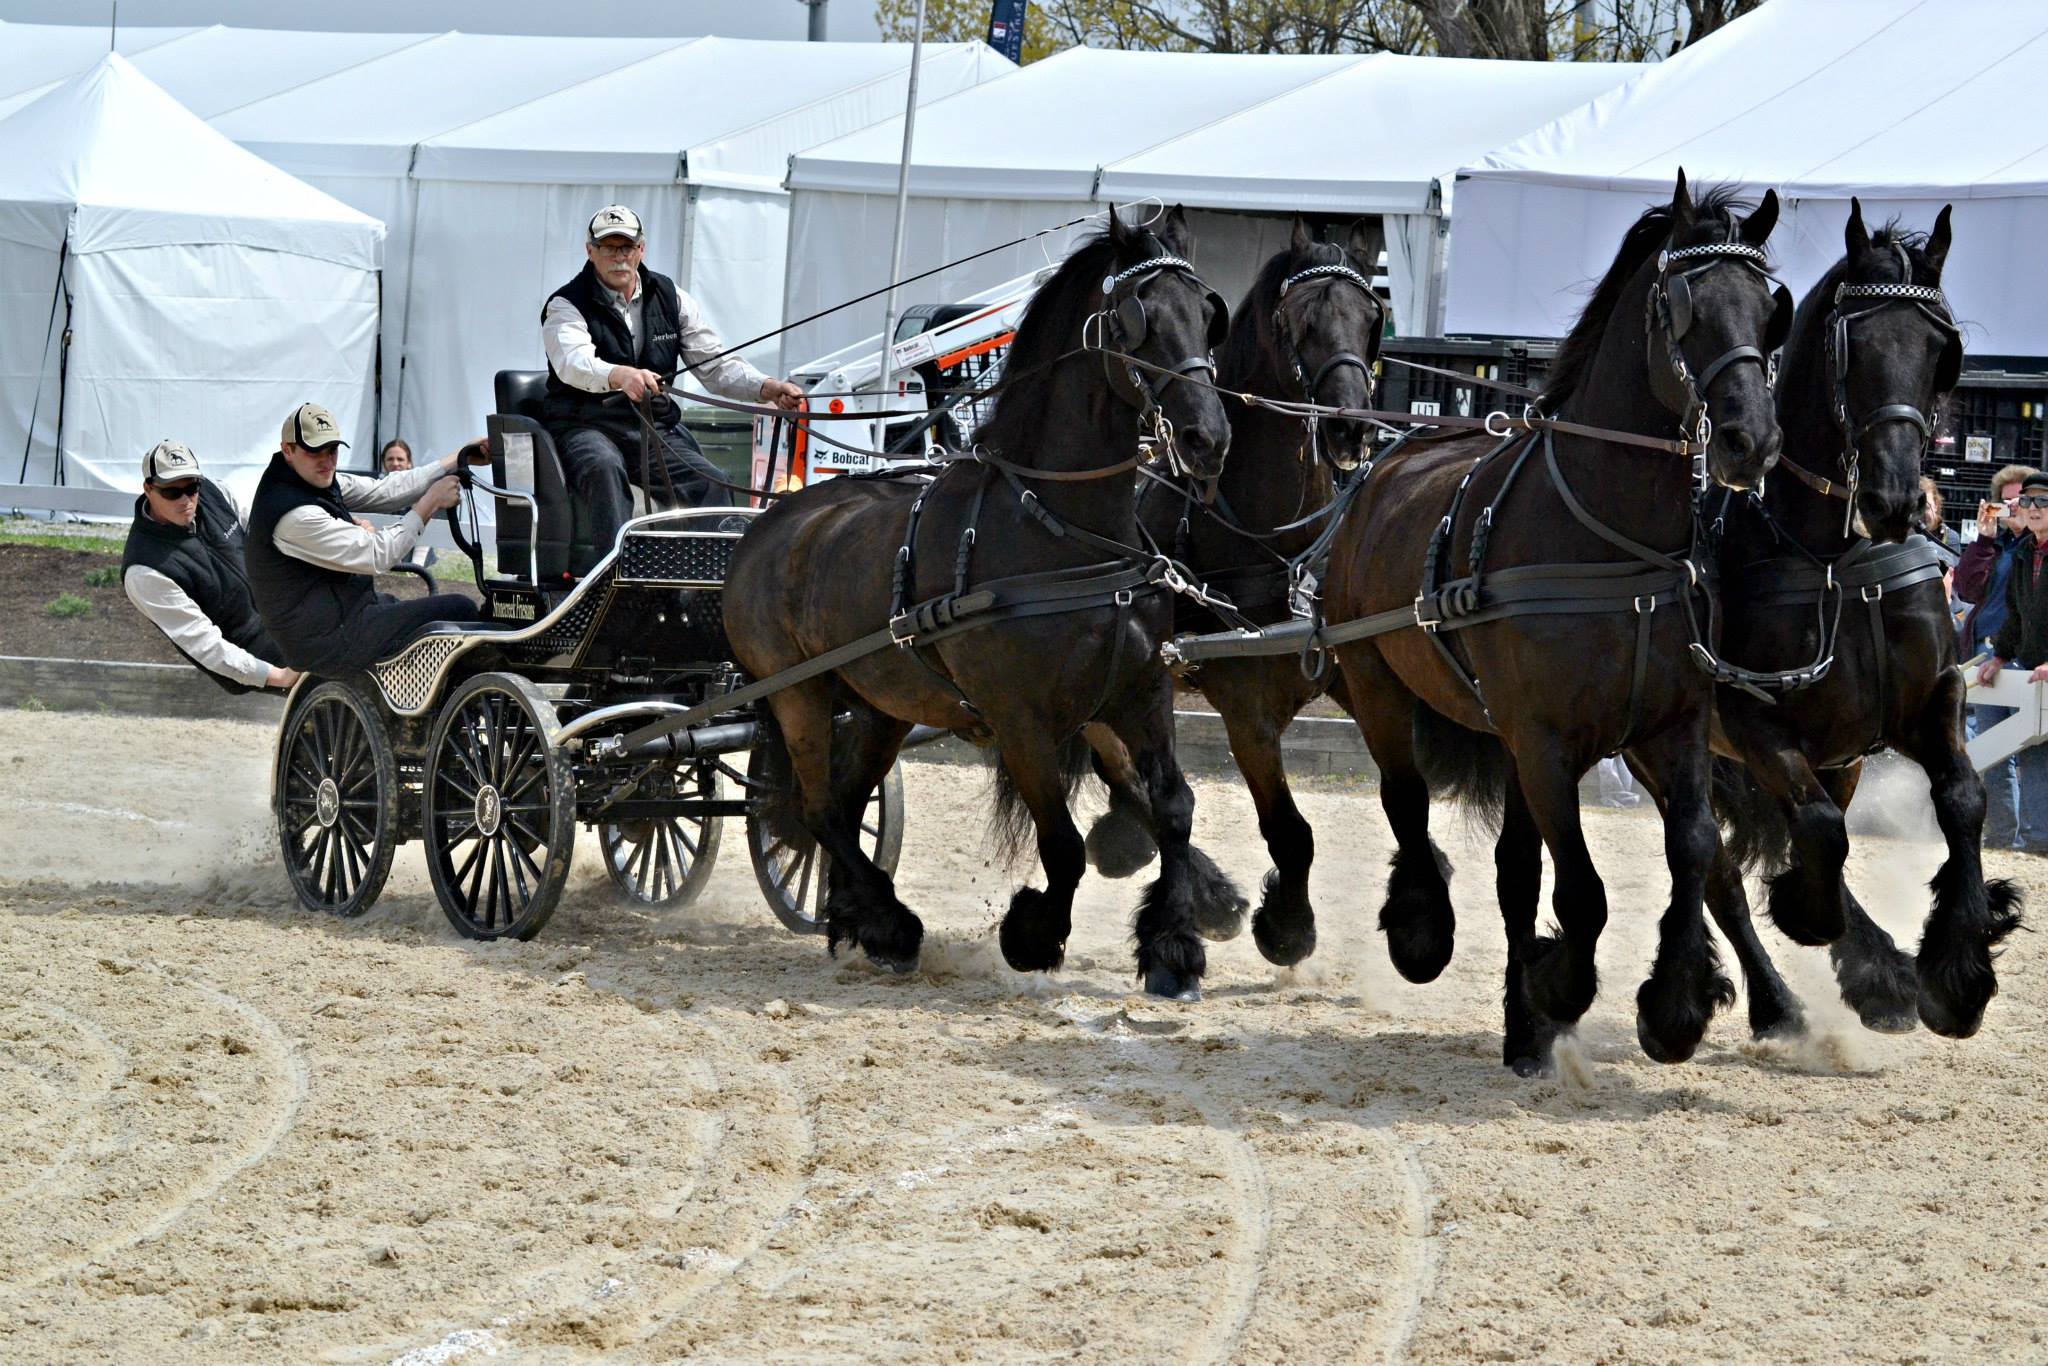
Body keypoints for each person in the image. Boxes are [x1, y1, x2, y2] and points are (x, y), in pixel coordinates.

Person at [540, 203, 806, 573]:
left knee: (713, 482)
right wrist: (621, 375)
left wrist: (767, 387)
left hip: (650, 427)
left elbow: (714, 364)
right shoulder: (566, 304)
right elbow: (572, 362)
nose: (619, 257)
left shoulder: (669, 296)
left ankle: (715, 581)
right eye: (608, 248)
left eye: (626, 247)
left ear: (641, 249)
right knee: (603, 468)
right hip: (585, 425)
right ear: (590, 251)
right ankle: (614, 579)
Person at [245, 402, 485, 677]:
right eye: (314, 452)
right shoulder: (295, 514)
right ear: (288, 449)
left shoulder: (308, 479)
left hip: (339, 619)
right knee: (459, 608)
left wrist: (457, 458)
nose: (326, 460)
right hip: (327, 639)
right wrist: (430, 503)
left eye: (332, 450)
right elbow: (378, 555)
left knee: (420, 609)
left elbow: (386, 490)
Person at [120, 439, 297, 695]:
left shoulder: (217, 493)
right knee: (329, 675)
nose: (186, 500)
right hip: (249, 645)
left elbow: (272, 532)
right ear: (148, 488)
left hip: (284, 609)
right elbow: (204, 644)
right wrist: (276, 676)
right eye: (172, 492)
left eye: (192, 487)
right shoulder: (144, 569)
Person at [1956, 464, 2038, 848]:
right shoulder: (2001, 547)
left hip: (2030, 656)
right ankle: (2005, 835)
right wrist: (1984, 538)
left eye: (2026, 500)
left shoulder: (2032, 548)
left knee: (2033, 750)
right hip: (1992, 653)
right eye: (2009, 502)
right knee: (1994, 749)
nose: (2018, 508)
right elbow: (1968, 589)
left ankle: (2034, 836)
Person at [1973, 471, 2048, 853]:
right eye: (2028, 501)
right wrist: (2000, 655)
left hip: (2044, 669)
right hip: (2030, 665)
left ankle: (2040, 839)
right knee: (2029, 749)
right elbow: (2016, 615)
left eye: (2043, 501)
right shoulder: (2023, 553)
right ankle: (2033, 841)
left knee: (2040, 753)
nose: (2033, 508)